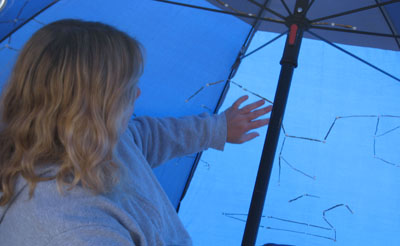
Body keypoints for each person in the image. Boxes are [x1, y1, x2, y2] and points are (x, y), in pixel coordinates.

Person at [0, 19, 272, 245]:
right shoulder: (73, 229)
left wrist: (217, 128)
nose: (139, 94)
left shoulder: (98, 139)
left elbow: (147, 137)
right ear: (93, 107)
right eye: (129, 90)